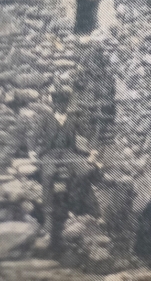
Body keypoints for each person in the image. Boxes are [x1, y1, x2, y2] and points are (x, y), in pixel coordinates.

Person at [31, 86, 100, 255]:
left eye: (63, 103)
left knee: (85, 170)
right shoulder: (45, 118)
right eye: (57, 103)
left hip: (70, 153)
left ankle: (73, 204)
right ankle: (48, 217)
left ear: (67, 104)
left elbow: (88, 133)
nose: (60, 106)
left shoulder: (72, 118)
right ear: (54, 104)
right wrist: (32, 151)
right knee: (48, 175)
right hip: (50, 154)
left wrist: (92, 151)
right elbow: (33, 136)